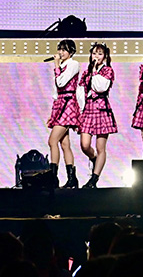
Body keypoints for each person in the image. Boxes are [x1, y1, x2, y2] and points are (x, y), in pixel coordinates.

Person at [78, 42, 118, 188]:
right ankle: (94, 158)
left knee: (101, 147)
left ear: (105, 56)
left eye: (100, 54)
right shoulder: (86, 72)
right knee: (84, 145)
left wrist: (95, 72)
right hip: (88, 109)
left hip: (101, 109)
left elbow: (100, 87)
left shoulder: (107, 71)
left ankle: (94, 180)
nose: (96, 56)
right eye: (94, 53)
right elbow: (81, 91)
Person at [45, 39, 82, 189]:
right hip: (60, 104)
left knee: (52, 141)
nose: (61, 53)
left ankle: (53, 178)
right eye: (59, 49)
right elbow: (56, 91)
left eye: (64, 50)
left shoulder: (73, 64)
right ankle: (72, 179)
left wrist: (56, 65)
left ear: (71, 52)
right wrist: (53, 112)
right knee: (64, 143)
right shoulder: (62, 66)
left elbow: (61, 83)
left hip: (68, 104)